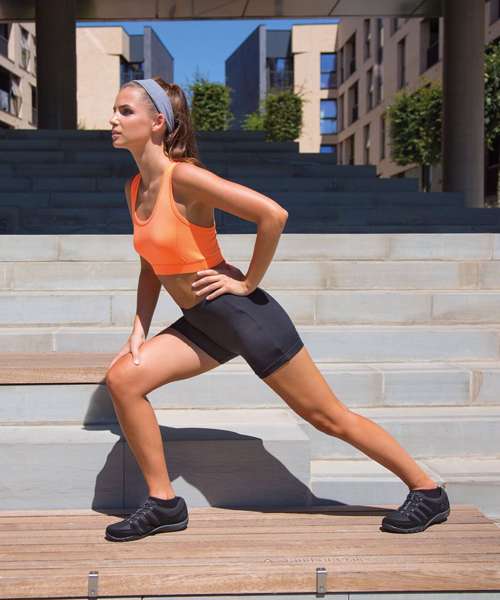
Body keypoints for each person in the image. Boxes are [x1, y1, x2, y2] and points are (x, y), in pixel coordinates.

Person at [104, 76, 450, 542]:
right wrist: (139, 328)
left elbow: (273, 214)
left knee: (326, 416)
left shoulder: (183, 177)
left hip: (244, 317)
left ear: (157, 122)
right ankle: (164, 502)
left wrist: (247, 282)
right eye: (116, 110)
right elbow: (152, 264)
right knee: (124, 380)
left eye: (125, 110)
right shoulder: (135, 187)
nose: (113, 119)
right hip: (203, 322)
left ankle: (427, 490)